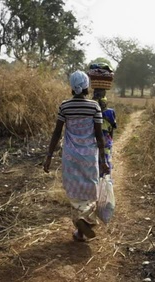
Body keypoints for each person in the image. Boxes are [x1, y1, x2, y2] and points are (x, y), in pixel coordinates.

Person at [43, 71, 110, 242]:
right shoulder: (94, 107)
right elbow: (99, 137)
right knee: (91, 190)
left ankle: (80, 228)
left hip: (71, 156)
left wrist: (49, 156)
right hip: (89, 156)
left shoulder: (65, 106)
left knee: (74, 191)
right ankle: (84, 223)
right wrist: (103, 161)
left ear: (72, 87)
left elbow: (57, 132)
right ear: (87, 86)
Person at [93, 93, 117, 177]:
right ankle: (105, 177)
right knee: (105, 158)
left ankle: (98, 178)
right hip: (105, 137)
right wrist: (111, 139)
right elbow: (113, 127)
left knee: (96, 158)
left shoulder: (93, 110)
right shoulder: (110, 112)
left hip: (94, 137)